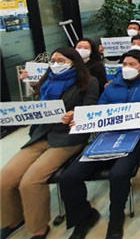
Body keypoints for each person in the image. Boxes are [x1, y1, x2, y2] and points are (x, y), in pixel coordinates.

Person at [59, 50, 140, 239]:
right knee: (69, 177)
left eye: (132, 64)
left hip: (138, 138)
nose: (127, 68)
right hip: (107, 137)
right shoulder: (112, 87)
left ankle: (116, 219)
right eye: (125, 64)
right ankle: (84, 217)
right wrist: (79, 118)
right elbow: (99, 111)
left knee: (119, 174)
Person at [1, 48, 99, 239]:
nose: (56, 64)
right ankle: (13, 220)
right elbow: (39, 105)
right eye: (53, 61)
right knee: (5, 178)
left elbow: (90, 108)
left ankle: (38, 228)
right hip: (41, 135)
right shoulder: (47, 81)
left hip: (67, 138)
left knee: (31, 181)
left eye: (61, 61)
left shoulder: (88, 82)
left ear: (73, 62)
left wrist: (75, 114)